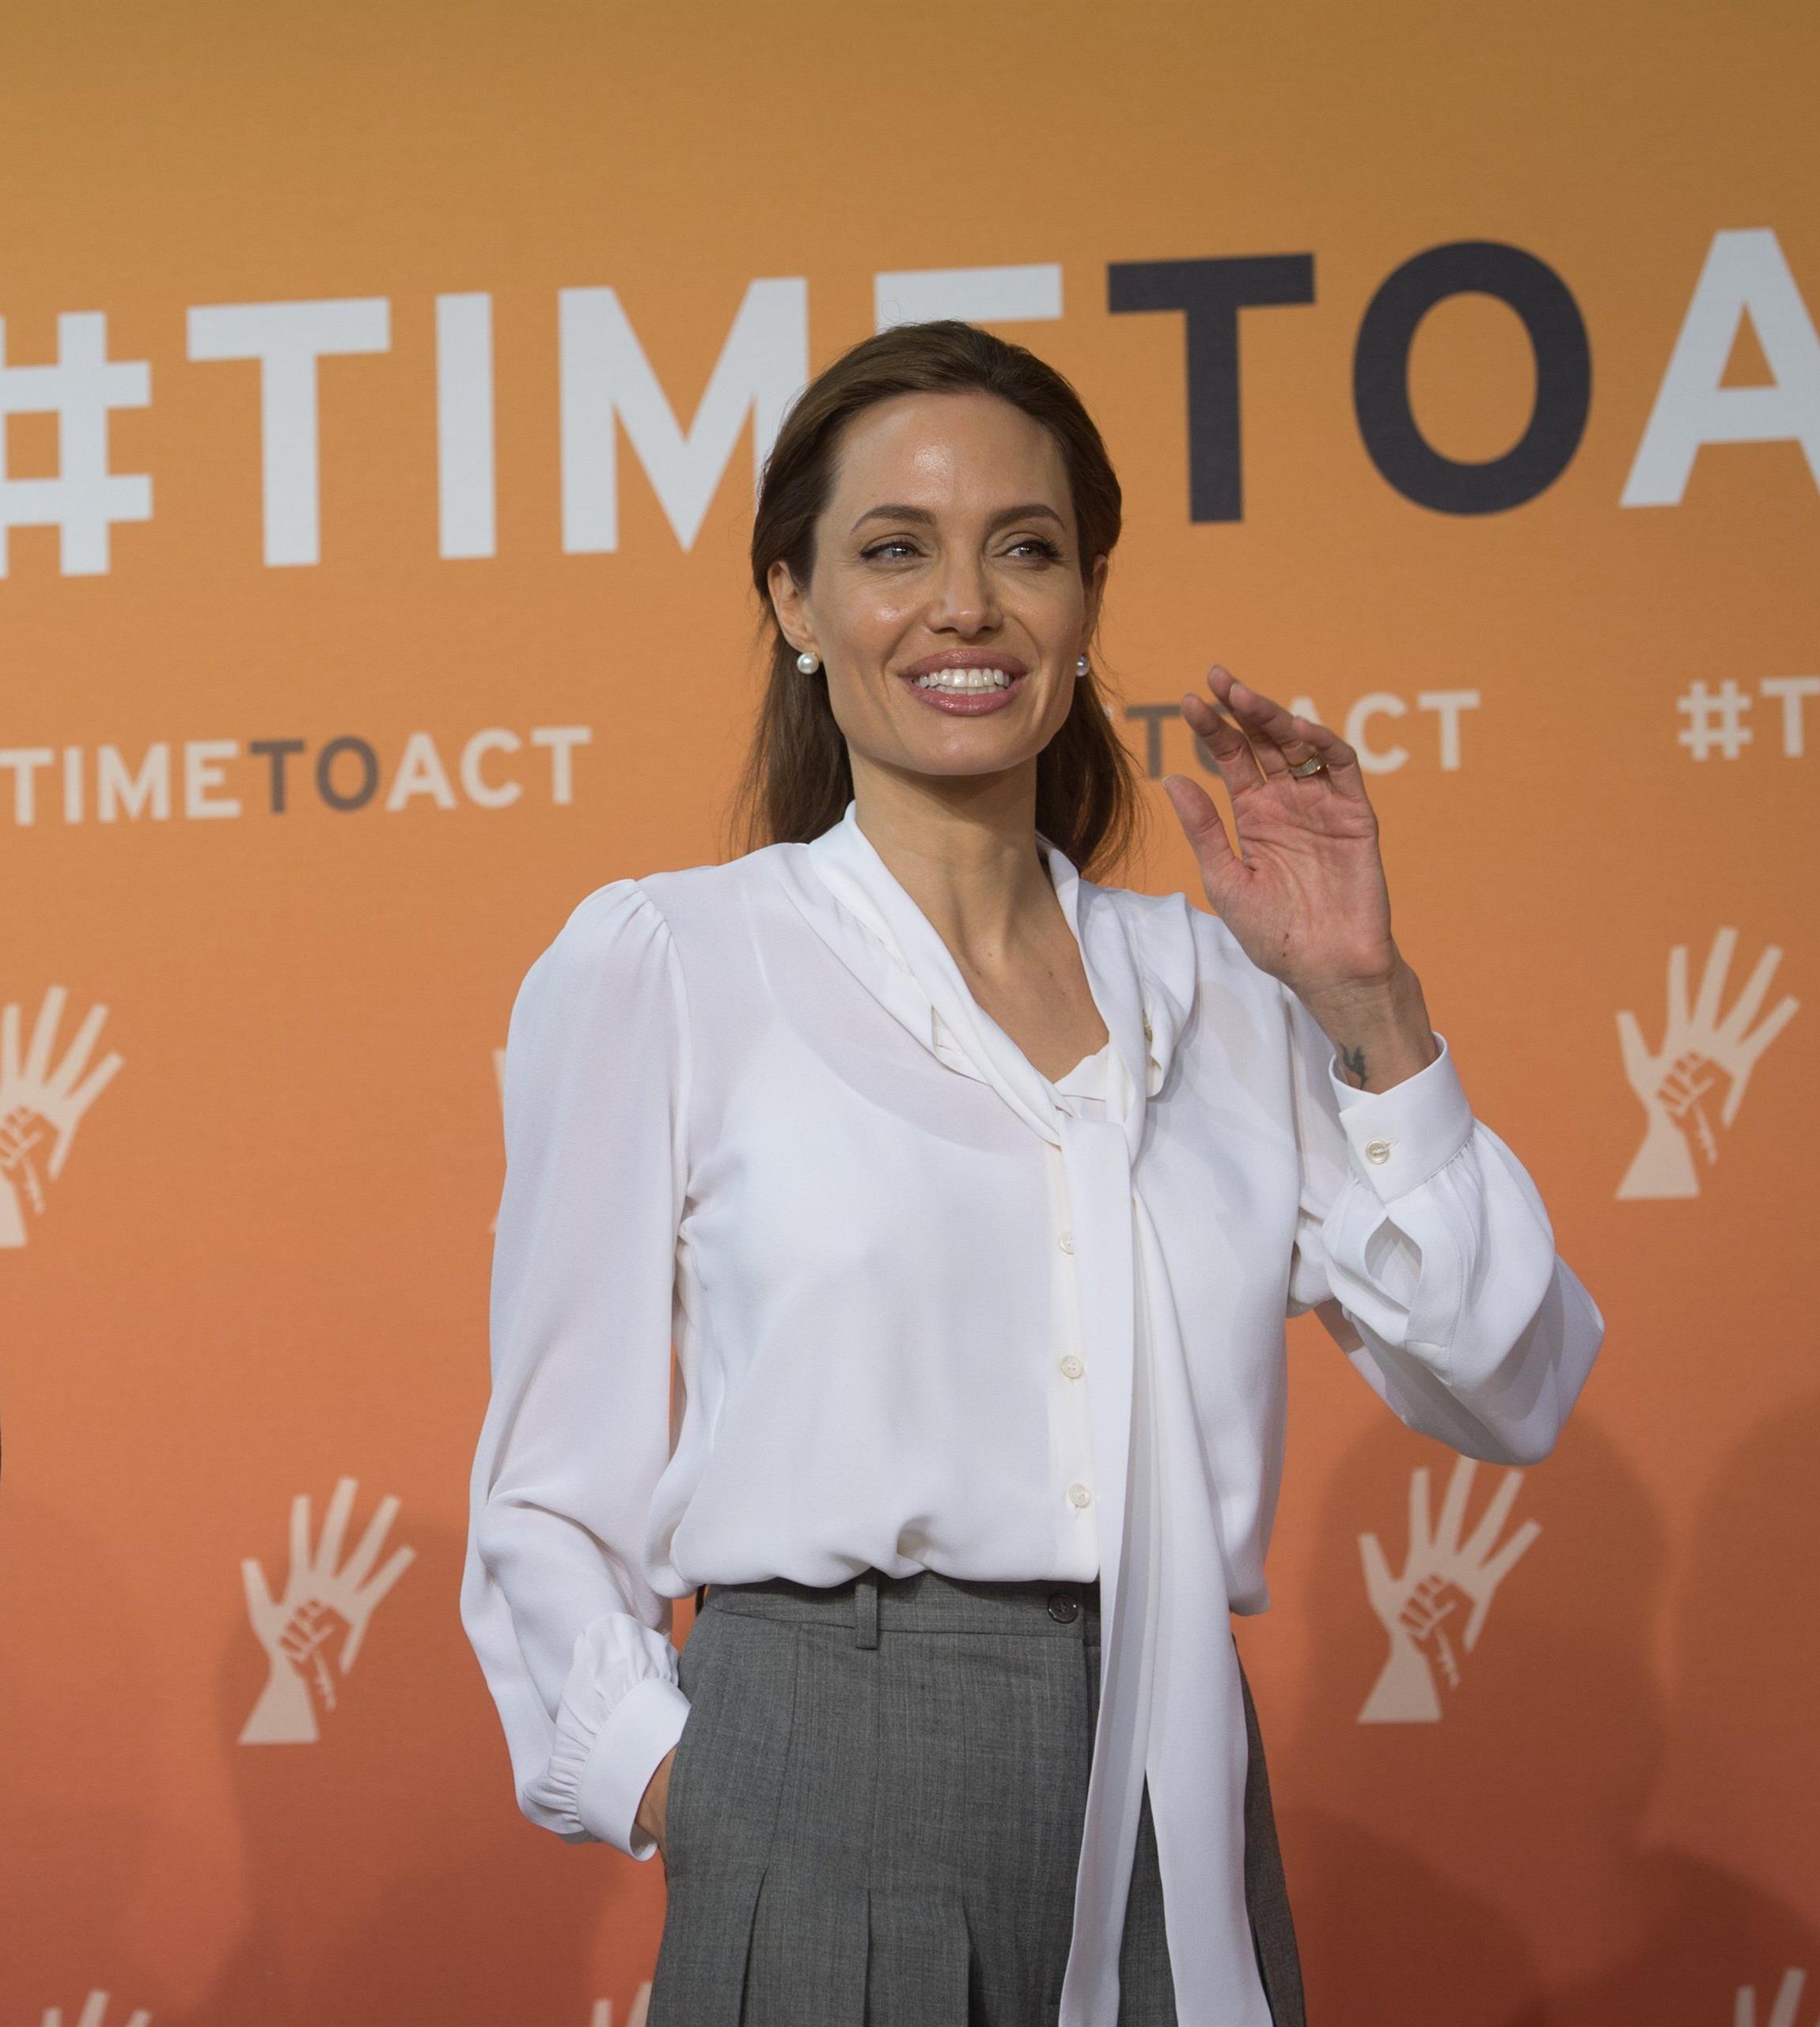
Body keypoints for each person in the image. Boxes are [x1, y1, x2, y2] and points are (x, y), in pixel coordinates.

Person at [462, 320, 1600, 2026]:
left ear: (1082, 605)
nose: (965, 608)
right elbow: (546, 1489)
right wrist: (688, 1788)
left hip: (1175, 1782)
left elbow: (1500, 1381)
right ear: (790, 600)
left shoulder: (1215, 984)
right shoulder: (669, 962)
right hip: (820, 1767)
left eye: (1025, 549)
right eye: (891, 550)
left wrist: (1361, 997)